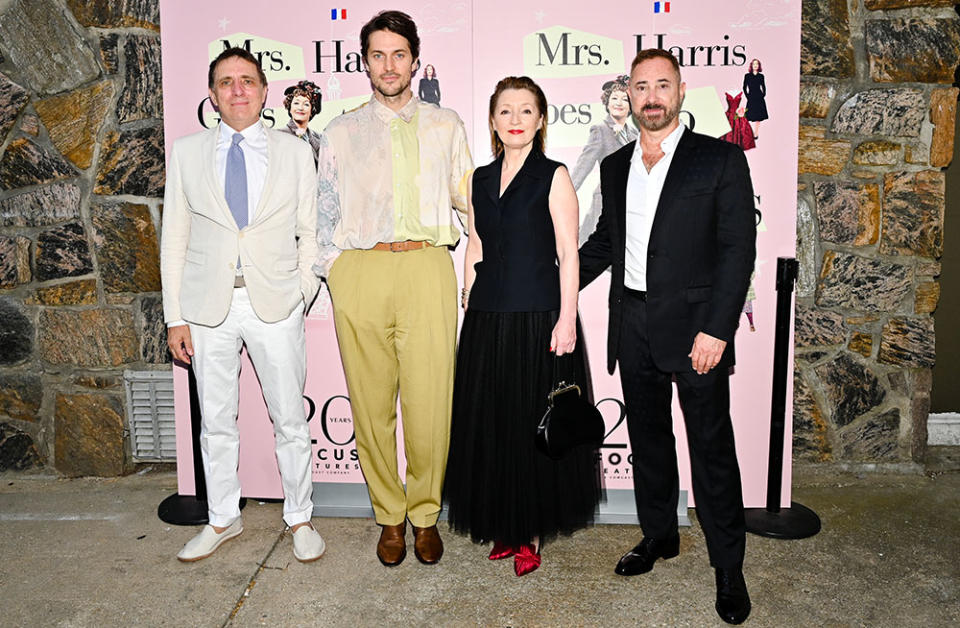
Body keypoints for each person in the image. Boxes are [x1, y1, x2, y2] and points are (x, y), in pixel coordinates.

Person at [579, 49, 756, 624]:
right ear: (627, 96)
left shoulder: (719, 160)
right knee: (649, 439)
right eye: (640, 87)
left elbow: (737, 251)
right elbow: (606, 243)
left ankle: (728, 565)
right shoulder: (615, 165)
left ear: (681, 92)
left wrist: (718, 329)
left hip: (697, 330)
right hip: (632, 323)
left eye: (662, 85)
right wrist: (548, 281)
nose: (650, 96)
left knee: (711, 447)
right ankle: (660, 536)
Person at [315, 10, 473, 568]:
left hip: (428, 266)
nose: (388, 65)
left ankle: (426, 514)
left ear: (415, 59)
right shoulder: (340, 131)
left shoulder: (446, 125)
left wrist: (476, 264)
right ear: (365, 63)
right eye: (377, 55)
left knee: (431, 405)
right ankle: (389, 516)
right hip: (361, 271)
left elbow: (471, 205)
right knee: (370, 404)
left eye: (398, 54)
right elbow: (323, 211)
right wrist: (337, 272)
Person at [161, 47, 325, 563]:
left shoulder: (294, 152)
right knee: (215, 421)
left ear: (264, 91)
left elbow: (309, 231)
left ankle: (299, 517)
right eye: (226, 82)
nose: (238, 90)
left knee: (290, 420)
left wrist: (302, 292)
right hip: (207, 307)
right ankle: (223, 518)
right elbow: (174, 239)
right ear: (211, 94)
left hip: (275, 303)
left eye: (248, 81)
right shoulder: (186, 152)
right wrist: (174, 316)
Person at [443, 76, 601, 577]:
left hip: (539, 320)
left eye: (525, 111)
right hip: (487, 319)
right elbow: (476, 245)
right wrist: (468, 298)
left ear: (540, 120)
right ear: (492, 120)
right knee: (495, 425)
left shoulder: (553, 176)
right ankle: (505, 526)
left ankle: (530, 531)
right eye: (505, 111)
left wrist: (567, 318)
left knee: (532, 427)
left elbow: (567, 253)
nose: (515, 119)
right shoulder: (477, 180)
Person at [570, 75, 638, 244]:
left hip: (631, 203)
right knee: (592, 248)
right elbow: (583, 165)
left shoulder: (636, 135)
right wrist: (566, 192)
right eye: (614, 98)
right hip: (605, 202)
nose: (619, 103)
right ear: (607, 103)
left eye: (625, 99)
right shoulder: (600, 130)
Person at [280, 80, 323, 164]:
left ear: (312, 110)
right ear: (290, 107)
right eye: (296, 103)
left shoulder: (320, 138)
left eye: (306, 104)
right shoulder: (279, 136)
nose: (300, 108)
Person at [743, 59, 767, 140]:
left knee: (758, 117)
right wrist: (747, 96)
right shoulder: (747, 76)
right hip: (751, 96)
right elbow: (744, 87)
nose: (755, 65)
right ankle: (747, 133)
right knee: (748, 116)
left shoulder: (761, 76)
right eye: (754, 64)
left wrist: (763, 95)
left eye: (757, 64)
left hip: (759, 96)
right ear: (751, 65)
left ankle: (755, 134)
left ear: (759, 65)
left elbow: (763, 86)